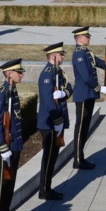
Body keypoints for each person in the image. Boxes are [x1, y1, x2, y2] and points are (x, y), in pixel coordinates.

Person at [0, 60, 25, 211]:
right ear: (9, 74)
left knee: (10, 186)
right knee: (3, 186)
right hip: (5, 147)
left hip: (14, 145)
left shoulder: (12, 92)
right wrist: (3, 147)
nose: (21, 74)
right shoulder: (1, 94)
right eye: (18, 72)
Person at [70, 27, 106, 170]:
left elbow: (95, 61)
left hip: (88, 94)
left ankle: (81, 157)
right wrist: (99, 88)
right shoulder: (79, 54)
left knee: (85, 127)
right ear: (80, 38)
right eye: (87, 36)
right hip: (83, 95)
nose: (89, 38)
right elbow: (86, 76)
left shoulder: (86, 52)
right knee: (81, 128)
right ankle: (78, 160)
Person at [36, 44, 70, 202]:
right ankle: (44, 190)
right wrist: (57, 121)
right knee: (48, 158)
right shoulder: (47, 74)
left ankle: (47, 187)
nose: (63, 57)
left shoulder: (58, 72)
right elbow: (49, 101)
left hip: (57, 122)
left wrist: (64, 93)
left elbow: (70, 87)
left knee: (53, 157)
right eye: (61, 54)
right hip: (49, 123)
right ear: (53, 56)